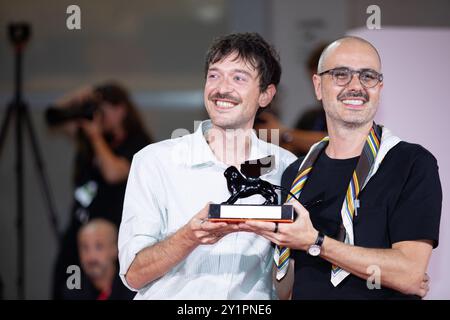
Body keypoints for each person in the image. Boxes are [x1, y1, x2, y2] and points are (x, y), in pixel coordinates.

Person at [241, 36, 442, 299]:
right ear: (318, 86)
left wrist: (316, 242)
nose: (355, 85)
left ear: (380, 87)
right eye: (340, 74)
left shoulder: (412, 163)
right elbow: (285, 286)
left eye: (368, 76)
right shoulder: (296, 174)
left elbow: (409, 274)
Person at [118, 33, 296, 299]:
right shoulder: (155, 162)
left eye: (238, 78)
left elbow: (286, 283)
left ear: (265, 95)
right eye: (214, 75)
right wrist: (190, 236)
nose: (221, 88)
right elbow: (133, 274)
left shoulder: (285, 168)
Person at [52, 82, 152, 299]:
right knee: (70, 288)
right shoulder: (89, 138)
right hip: (81, 232)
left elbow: (113, 173)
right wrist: (80, 96)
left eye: (102, 110)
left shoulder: (137, 143)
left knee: (110, 291)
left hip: (110, 238)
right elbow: (53, 117)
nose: (98, 117)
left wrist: (95, 136)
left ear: (120, 110)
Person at [255, 44, 328, 156]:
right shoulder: (310, 118)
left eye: (321, 83)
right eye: (313, 82)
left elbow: (336, 144)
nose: (316, 88)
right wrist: (270, 137)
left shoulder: (349, 116)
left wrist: (284, 133)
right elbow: (288, 152)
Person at [62, 219, 135, 300]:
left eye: (99, 247)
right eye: (85, 248)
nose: (91, 256)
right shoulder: (74, 292)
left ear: (115, 249)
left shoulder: (134, 287)